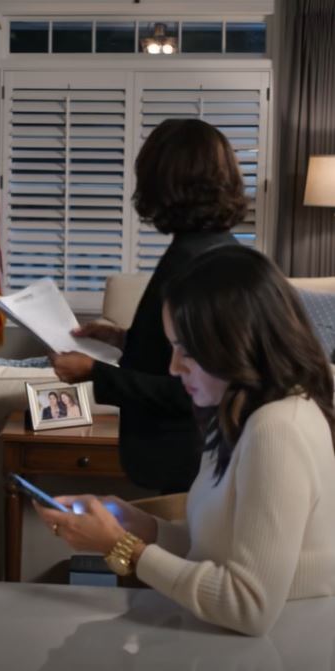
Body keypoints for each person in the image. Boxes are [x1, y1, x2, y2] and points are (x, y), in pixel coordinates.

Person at [34, 246, 335, 636]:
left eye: (187, 352)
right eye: (172, 347)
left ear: (237, 345)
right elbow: (214, 550)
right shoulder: (235, 414)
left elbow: (248, 606)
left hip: (285, 646)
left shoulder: (278, 430)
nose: (174, 368)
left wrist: (122, 547)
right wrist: (138, 525)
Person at [50, 118, 244, 493]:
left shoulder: (193, 263)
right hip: (190, 458)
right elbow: (181, 353)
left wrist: (94, 372)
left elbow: (193, 388)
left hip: (187, 462)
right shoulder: (213, 248)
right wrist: (123, 338)